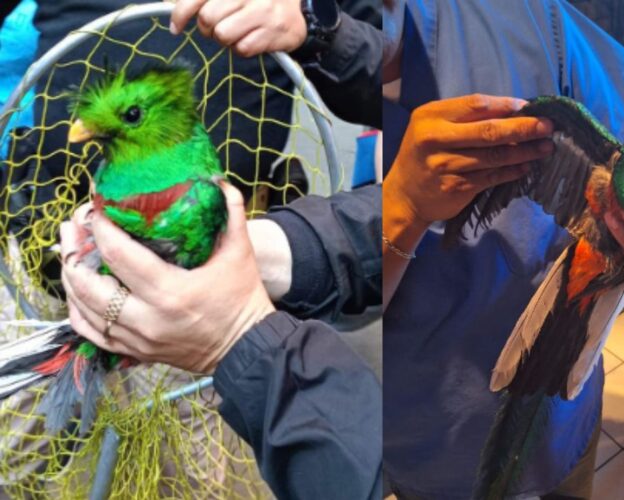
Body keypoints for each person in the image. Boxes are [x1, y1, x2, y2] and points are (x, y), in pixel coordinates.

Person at [382, 1, 624, 498]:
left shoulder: (531, 18)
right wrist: (403, 208)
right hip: (428, 439)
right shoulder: (286, 99)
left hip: (565, 403)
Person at [59, 0, 383, 498]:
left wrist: (239, 333)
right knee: (60, 460)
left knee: (195, 471)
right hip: (60, 274)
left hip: (227, 333)